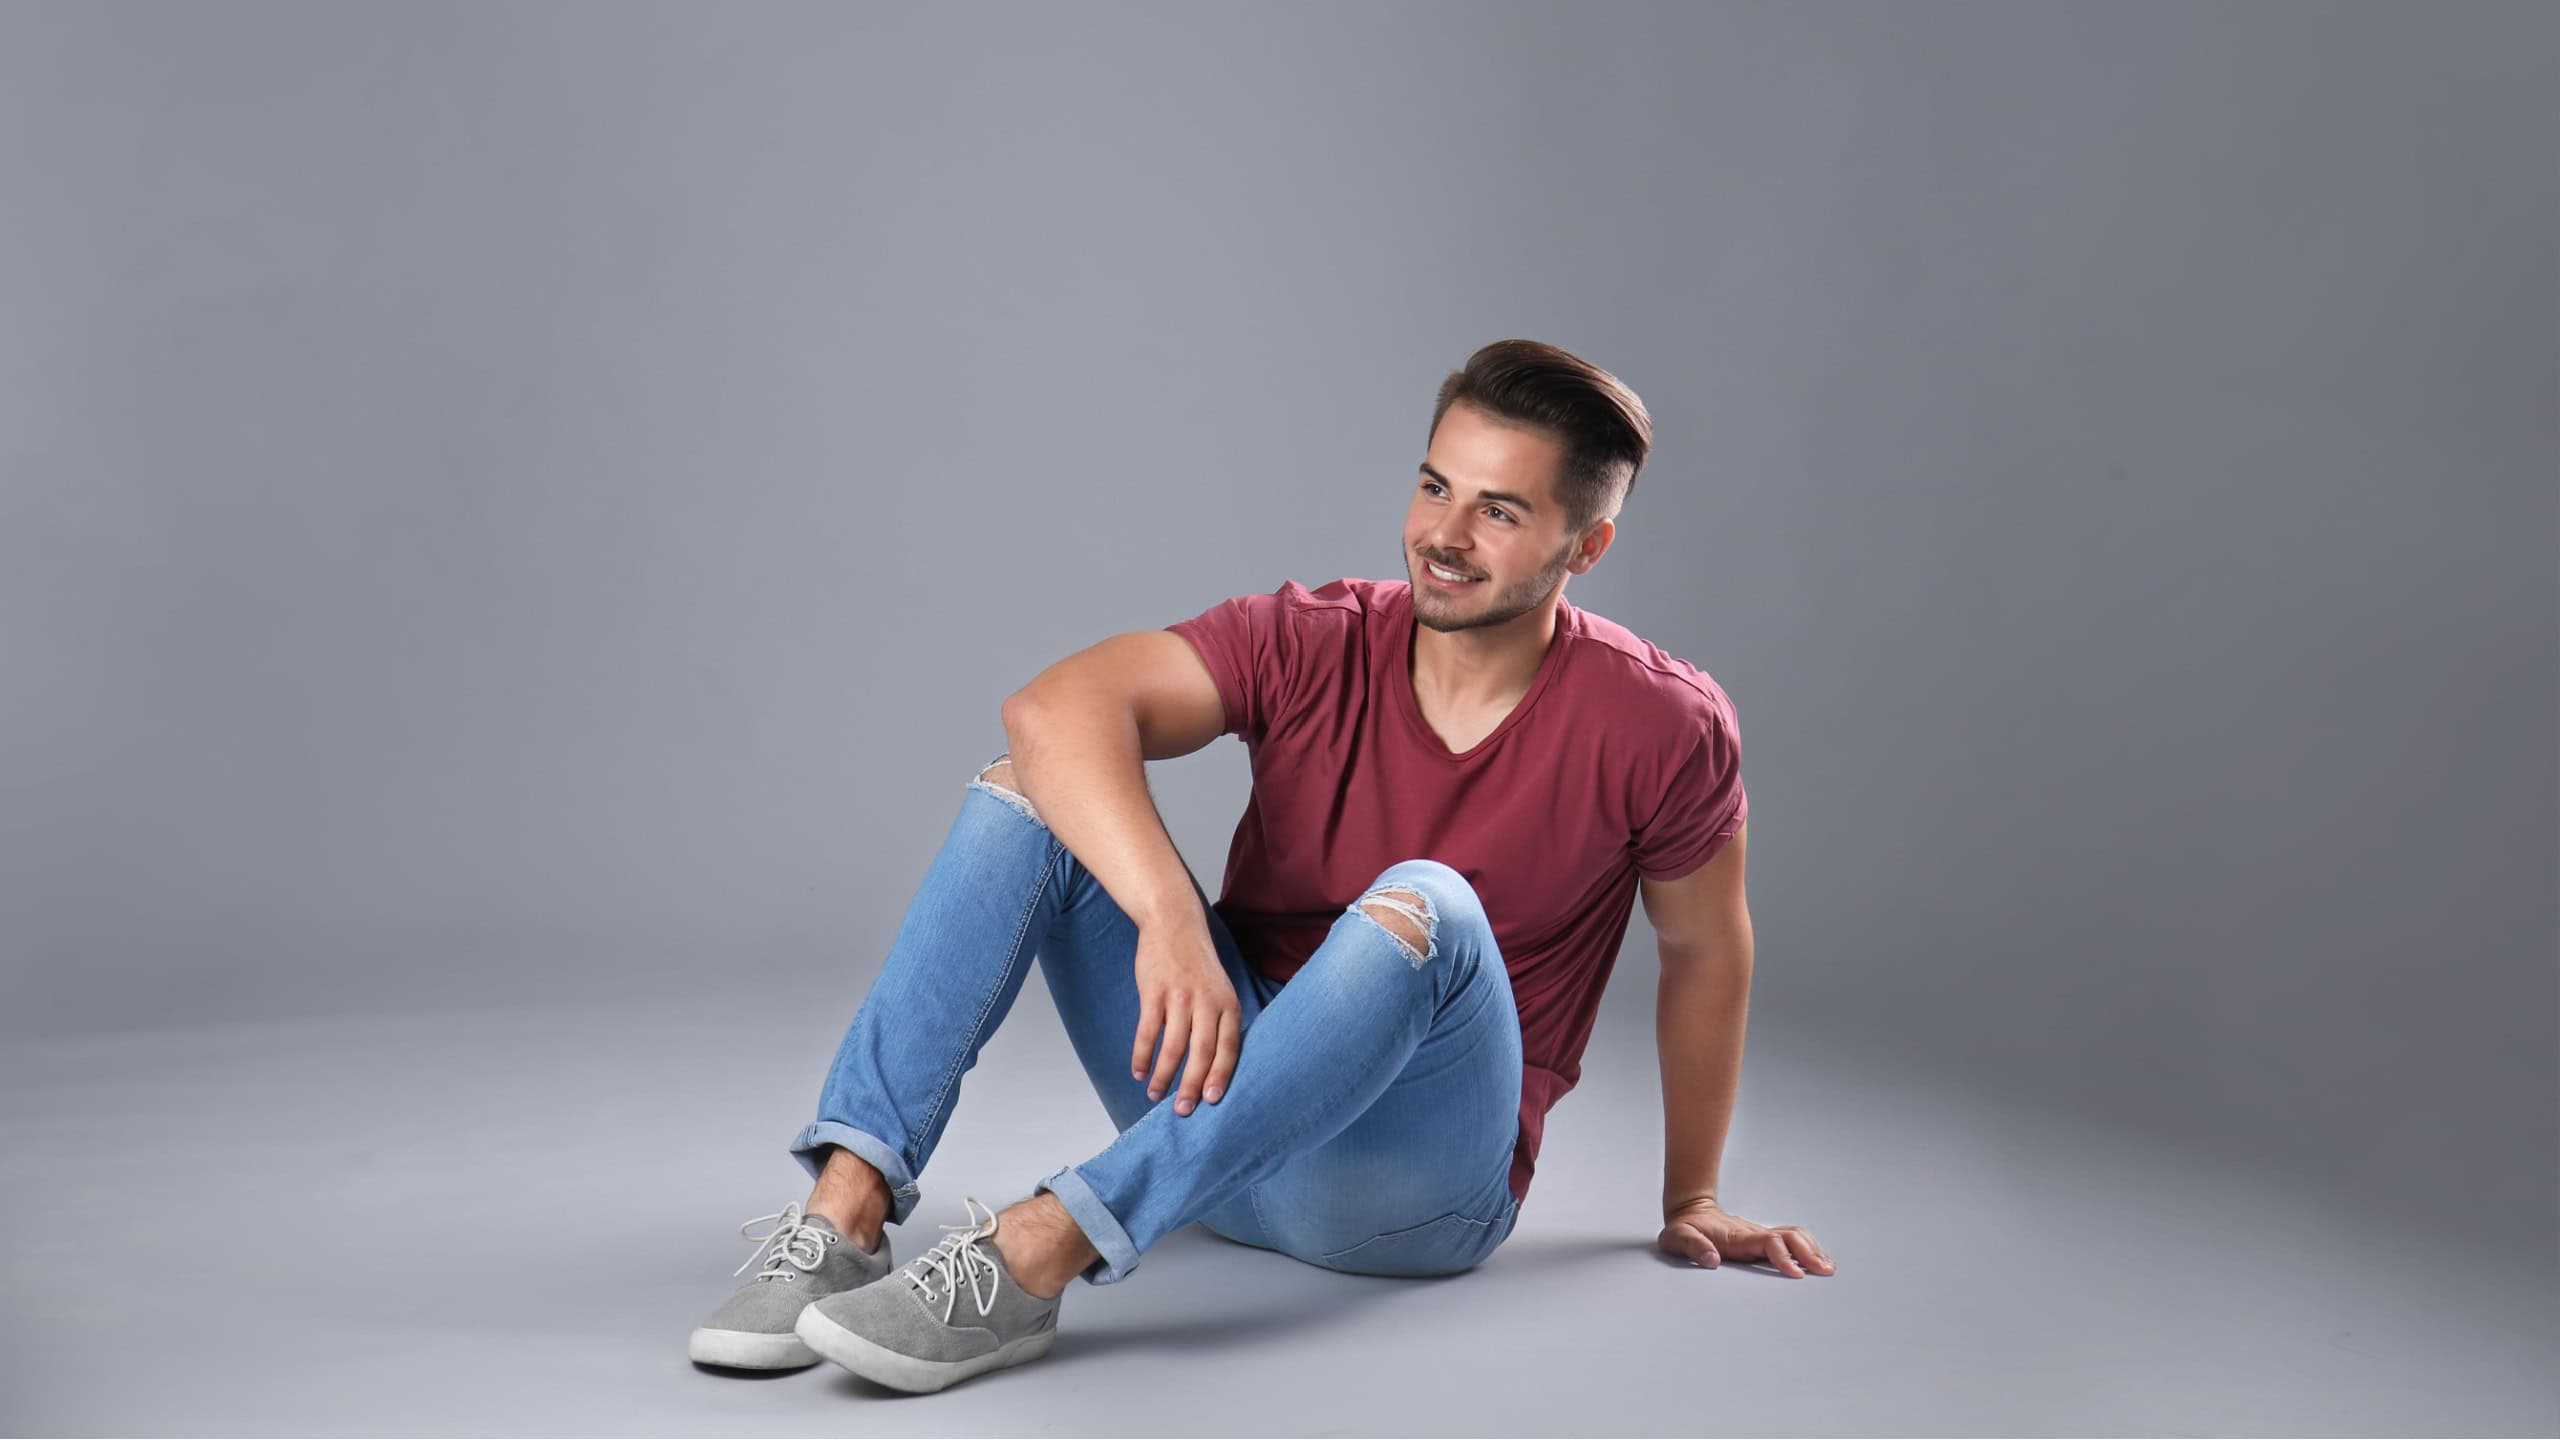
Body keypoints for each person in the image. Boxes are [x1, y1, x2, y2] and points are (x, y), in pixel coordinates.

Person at [687, 338, 1833, 1394]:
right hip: (1210, 1120)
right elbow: (1057, 707)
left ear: (1586, 545)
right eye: (1434, 486)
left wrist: (1693, 1197)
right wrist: (1170, 919)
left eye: (1499, 511)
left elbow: (1702, 947)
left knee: (1425, 897)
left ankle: (1041, 1246)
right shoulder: (1315, 634)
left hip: (1409, 1194)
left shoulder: (1661, 723)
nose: (1442, 533)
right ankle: (846, 1209)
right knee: (1028, 784)